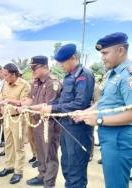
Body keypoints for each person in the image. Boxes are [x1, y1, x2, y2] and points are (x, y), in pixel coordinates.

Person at [74, 32, 132, 188]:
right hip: (108, 136)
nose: (102, 57)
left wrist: (99, 119)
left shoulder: (128, 75)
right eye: (101, 53)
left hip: (119, 138)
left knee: (116, 184)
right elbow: (103, 101)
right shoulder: (110, 74)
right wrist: (87, 112)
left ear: (120, 50)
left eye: (105, 53)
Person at [41, 43, 95, 188]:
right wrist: (48, 106)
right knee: (67, 166)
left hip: (78, 130)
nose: (60, 65)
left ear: (73, 58)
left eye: (63, 62)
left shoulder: (84, 75)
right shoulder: (69, 76)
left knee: (75, 170)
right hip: (66, 127)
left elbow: (80, 103)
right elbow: (63, 99)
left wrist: (52, 108)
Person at [21, 56, 62, 188]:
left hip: (49, 124)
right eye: (31, 67)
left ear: (44, 66)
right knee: (40, 151)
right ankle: (41, 175)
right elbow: (32, 99)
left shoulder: (53, 83)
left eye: (35, 67)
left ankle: (49, 183)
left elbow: (48, 105)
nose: (32, 70)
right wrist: (23, 104)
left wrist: (29, 107)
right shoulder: (35, 82)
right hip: (37, 122)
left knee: (50, 154)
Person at [0, 63, 30, 184]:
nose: (4, 77)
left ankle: (18, 172)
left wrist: (9, 101)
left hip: (18, 119)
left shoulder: (24, 85)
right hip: (6, 118)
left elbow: (24, 102)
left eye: (6, 75)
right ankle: (9, 166)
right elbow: (2, 97)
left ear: (13, 74)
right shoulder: (5, 83)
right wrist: (0, 105)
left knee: (19, 146)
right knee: (8, 144)